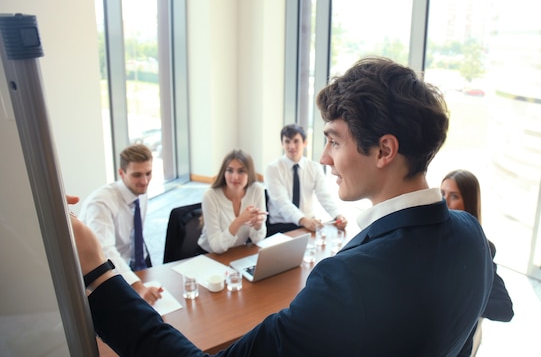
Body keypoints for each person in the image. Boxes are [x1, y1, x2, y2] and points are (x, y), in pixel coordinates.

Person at [72, 57, 493, 356]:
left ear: (384, 150)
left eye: (333, 139)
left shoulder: (347, 281)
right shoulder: (472, 236)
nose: (324, 157)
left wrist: (96, 272)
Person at [441, 169, 514, 356]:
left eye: (454, 196)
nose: (445, 201)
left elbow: (504, 309)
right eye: (442, 194)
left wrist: (461, 299)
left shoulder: (481, 249)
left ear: (468, 203)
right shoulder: (429, 237)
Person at [79, 144, 163, 305]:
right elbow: (105, 252)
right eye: (137, 175)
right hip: (105, 272)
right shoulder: (100, 203)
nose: (145, 181)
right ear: (121, 173)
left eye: (148, 173)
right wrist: (138, 286)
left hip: (133, 261)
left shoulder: (140, 191)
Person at [265, 123, 347, 235]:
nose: (291, 146)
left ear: (305, 143)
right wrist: (303, 220)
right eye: (287, 142)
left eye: (296, 141)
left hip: (308, 224)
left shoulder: (314, 167)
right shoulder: (273, 168)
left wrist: (337, 215)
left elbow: (324, 196)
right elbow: (281, 203)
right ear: (282, 144)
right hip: (280, 226)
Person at [196, 149, 267, 254]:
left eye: (241, 171)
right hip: (210, 255)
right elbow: (216, 246)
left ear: (249, 173)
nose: (235, 177)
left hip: (237, 253)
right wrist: (239, 221)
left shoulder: (257, 190)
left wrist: (258, 226)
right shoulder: (210, 196)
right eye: (230, 170)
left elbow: (258, 240)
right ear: (224, 173)